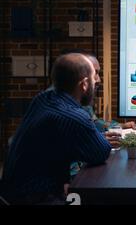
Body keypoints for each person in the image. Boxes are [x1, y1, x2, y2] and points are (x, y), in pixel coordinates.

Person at [1, 53, 112, 204]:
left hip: (11, 193)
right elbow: (101, 152)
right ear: (84, 84)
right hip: (36, 198)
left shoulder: (41, 99)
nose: (97, 81)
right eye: (94, 77)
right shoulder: (74, 116)